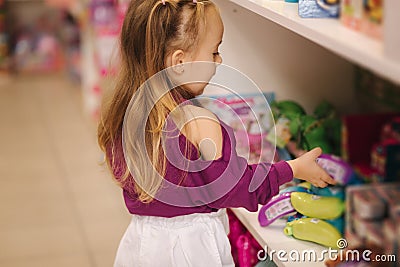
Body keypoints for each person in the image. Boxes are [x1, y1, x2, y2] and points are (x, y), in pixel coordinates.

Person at [97, 0, 336, 266]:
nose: (219, 60)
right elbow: (243, 188)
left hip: (142, 244)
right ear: (179, 62)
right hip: (192, 249)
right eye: (214, 52)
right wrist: (293, 169)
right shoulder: (199, 124)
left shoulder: (125, 117)